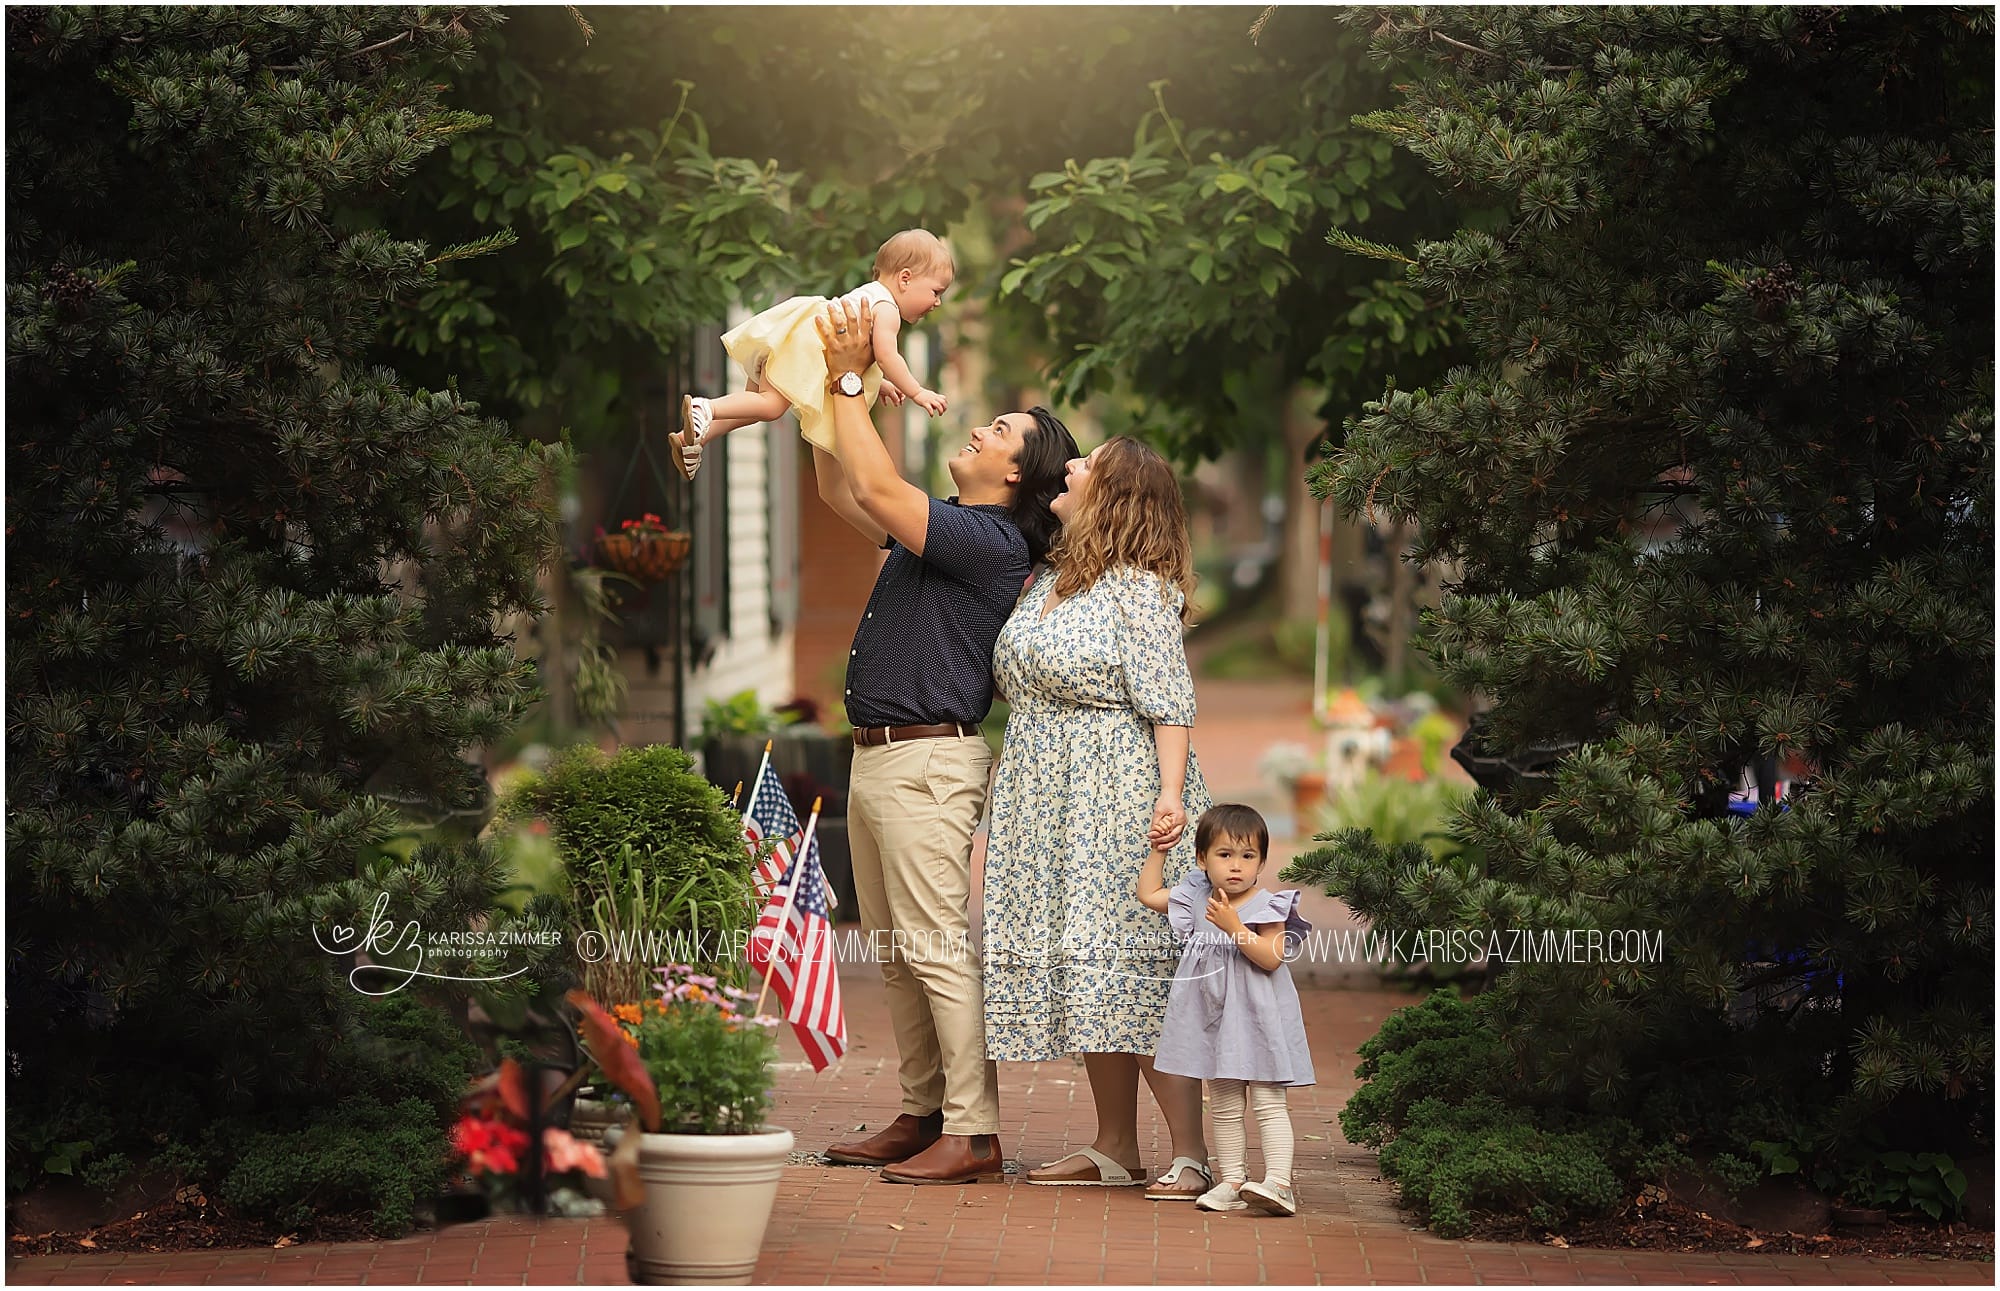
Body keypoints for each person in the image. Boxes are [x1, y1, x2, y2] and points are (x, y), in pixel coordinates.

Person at [807, 294, 1078, 1185]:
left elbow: (882, 486)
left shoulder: (991, 543)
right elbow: (841, 487)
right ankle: (925, 1110)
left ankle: (975, 1127)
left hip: (928, 759)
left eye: (997, 429)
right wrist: (817, 390)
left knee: (932, 948)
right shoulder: (942, 539)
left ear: (1017, 474)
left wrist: (854, 376)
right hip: (880, 756)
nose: (976, 429)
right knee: (895, 953)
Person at [980, 436, 1216, 1201]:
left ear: (1114, 492)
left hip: (1116, 795)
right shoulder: (1051, 576)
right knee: (1089, 972)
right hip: (1045, 792)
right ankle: (1115, 1143)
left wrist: (1170, 796)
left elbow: (1170, 699)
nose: (1071, 466)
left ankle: (1191, 1152)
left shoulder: (1138, 588)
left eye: (1089, 464)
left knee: (1131, 971)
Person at [1137, 803, 1315, 1217]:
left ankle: (1278, 1183)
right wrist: (1159, 849)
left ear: (1262, 863)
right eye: (1224, 855)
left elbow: (1271, 958)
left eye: (1248, 856)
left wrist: (1235, 928)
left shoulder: (1269, 905)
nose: (1236, 866)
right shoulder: (1197, 897)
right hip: (1215, 1021)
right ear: (1202, 859)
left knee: (1269, 1100)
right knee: (1224, 1103)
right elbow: (1148, 894)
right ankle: (1233, 1180)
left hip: (1258, 1020)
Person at [669, 229, 953, 480]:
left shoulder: (871, 294)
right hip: (803, 349)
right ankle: (705, 408)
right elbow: (887, 357)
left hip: (794, 339)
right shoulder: (888, 310)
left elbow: (864, 357)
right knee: (769, 407)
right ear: (905, 278)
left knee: (752, 407)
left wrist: (883, 384)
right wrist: (917, 392)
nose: (937, 302)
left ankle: (690, 439)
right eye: (936, 291)